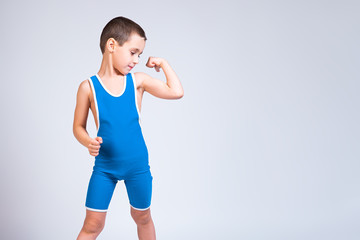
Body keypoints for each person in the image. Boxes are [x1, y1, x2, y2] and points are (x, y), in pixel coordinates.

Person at [73, 16, 184, 240]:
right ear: (112, 45)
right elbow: (78, 127)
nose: (136, 59)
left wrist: (163, 63)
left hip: (137, 165)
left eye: (140, 55)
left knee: (142, 217)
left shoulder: (138, 81)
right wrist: (88, 142)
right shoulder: (88, 87)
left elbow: (176, 92)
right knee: (93, 224)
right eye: (133, 52)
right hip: (105, 167)